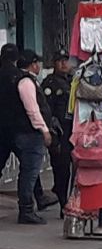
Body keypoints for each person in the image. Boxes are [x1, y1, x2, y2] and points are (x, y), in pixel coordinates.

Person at [0, 46, 52, 224]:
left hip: (4, 131)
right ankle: (27, 210)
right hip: (24, 131)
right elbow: (32, 109)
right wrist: (44, 129)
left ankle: (38, 199)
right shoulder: (22, 79)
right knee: (29, 172)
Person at [40, 50, 74, 211]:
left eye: (66, 60)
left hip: (75, 131)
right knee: (61, 169)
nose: (64, 64)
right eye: (60, 60)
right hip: (59, 131)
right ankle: (63, 203)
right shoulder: (49, 83)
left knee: (77, 169)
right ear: (54, 63)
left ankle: (72, 201)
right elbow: (46, 110)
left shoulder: (74, 80)